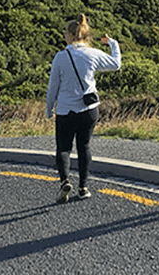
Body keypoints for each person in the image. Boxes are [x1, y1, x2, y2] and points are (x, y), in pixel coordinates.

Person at [46, 14, 120, 203]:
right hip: (89, 110)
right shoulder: (93, 53)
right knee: (84, 147)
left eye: (65, 32)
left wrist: (49, 109)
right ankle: (83, 187)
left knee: (63, 148)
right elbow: (116, 64)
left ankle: (64, 182)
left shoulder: (60, 57)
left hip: (65, 110)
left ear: (71, 35)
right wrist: (113, 43)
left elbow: (53, 87)